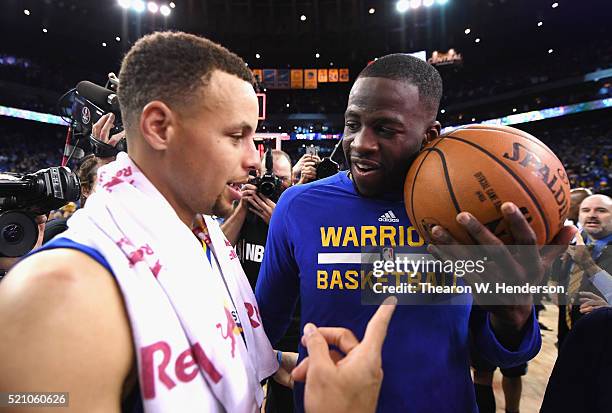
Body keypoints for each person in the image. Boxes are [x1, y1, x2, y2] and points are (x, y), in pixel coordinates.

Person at [255, 53, 575, 413]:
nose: (360, 143)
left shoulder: (467, 213)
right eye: (352, 123)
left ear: (430, 135)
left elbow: (500, 351)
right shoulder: (298, 206)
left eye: (385, 128)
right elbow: (263, 326)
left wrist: (513, 314)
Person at [0, 31, 278, 412]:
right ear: (160, 127)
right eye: (235, 136)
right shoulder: (56, 297)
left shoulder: (201, 241)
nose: (254, 161)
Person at [556, 194, 612, 347]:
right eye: (586, 210)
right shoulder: (575, 240)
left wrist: (588, 264)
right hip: (567, 333)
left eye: (601, 210)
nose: (592, 215)